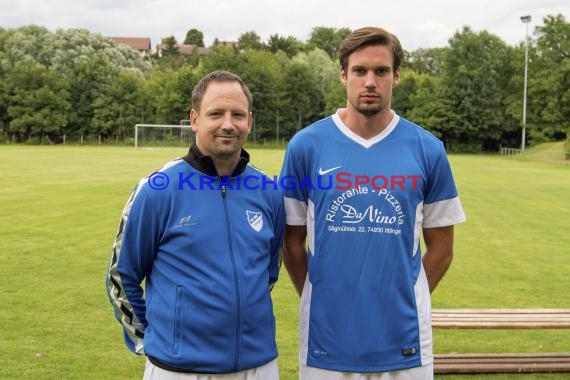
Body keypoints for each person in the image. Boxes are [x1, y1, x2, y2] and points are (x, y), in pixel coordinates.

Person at [280, 27, 466, 380]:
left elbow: (442, 249)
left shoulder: (427, 149)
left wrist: (404, 296)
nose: (370, 81)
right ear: (343, 75)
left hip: (404, 340)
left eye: (381, 71)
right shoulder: (306, 146)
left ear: (396, 76)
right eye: (359, 71)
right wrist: (319, 294)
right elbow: (291, 242)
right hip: (326, 339)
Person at [106, 70, 285, 380]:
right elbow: (122, 275)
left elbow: (267, 272)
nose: (228, 124)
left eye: (238, 115)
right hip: (178, 369)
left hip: (258, 366)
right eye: (216, 113)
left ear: (250, 122)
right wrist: (153, 343)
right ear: (195, 119)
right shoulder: (158, 189)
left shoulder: (268, 191)